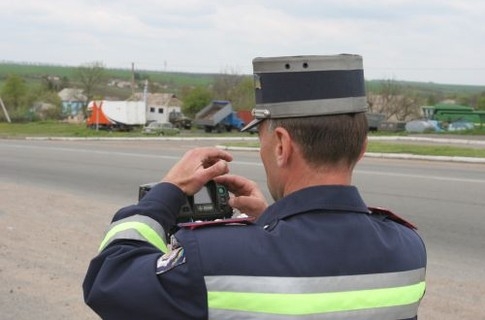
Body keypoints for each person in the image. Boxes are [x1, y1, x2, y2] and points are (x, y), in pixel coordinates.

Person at [83, 54, 427, 319]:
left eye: (261, 139)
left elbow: (108, 280)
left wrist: (167, 191)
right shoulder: (408, 250)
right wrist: (273, 223)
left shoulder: (213, 258)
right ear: (363, 146)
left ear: (281, 145)